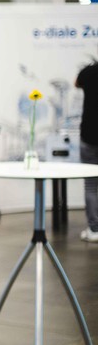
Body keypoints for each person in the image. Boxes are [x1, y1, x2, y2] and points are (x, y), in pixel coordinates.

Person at [76, 60, 98, 242]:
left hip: (89, 135)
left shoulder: (89, 72)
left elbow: (76, 83)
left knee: (91, 185)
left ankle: (94, 229)